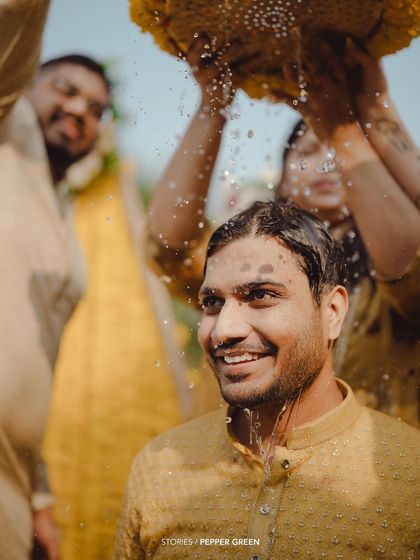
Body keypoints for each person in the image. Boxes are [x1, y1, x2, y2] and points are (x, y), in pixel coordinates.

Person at [114, 201, 419, 559]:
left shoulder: (409, 475)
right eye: (212, 302)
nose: (223, 330)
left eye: (260, 296)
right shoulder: (159, 467)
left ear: (332, 312)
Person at [146, 37, 420, 426]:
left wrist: (355, 120)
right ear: (285, 178)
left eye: (334, 152)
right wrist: (212, 106)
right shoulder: (246, 255)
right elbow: (168, 250)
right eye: (308, 151)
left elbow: (412, 269)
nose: (328, 163)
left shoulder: (388, 264)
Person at [0, 1, 111, 558]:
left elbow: (35, 365)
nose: (78, 109)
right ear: (26, 82)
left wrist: (39, 495)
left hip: (13, 486)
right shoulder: (7, 129)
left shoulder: (64, 218)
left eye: (96, 107)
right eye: (63, 88)